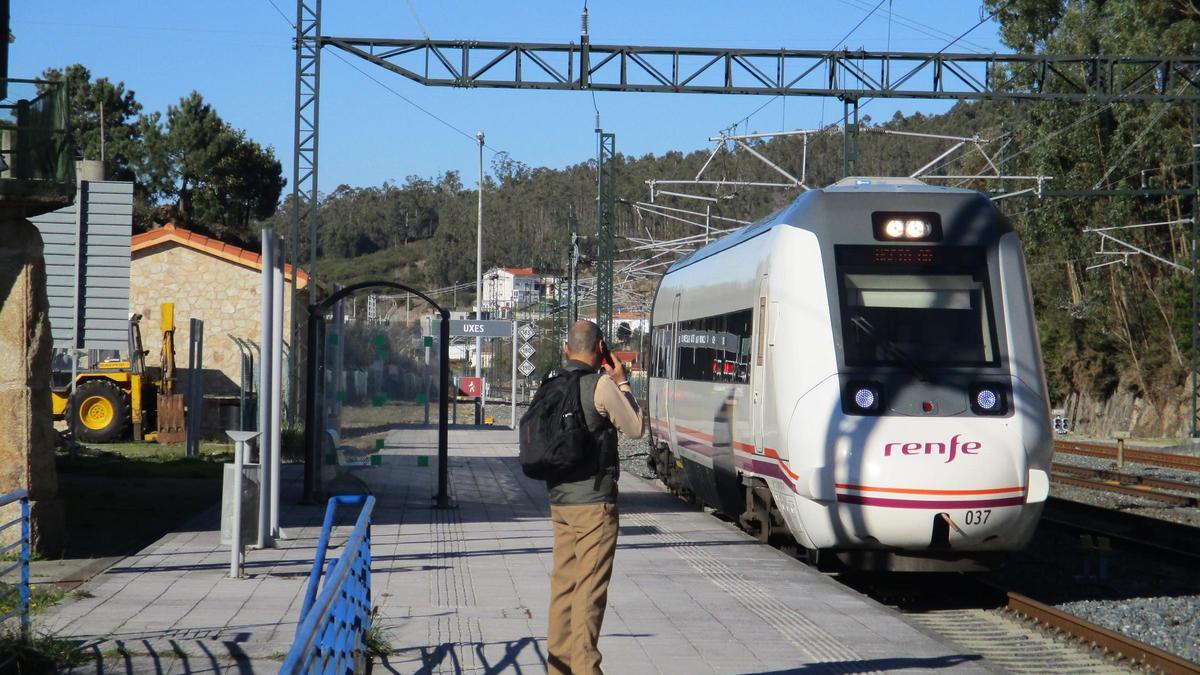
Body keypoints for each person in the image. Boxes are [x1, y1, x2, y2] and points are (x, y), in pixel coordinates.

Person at [546, 320, 643, 675]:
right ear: (601, 348)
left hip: (560, 502)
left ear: (566, 349)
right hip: (595, 507)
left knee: (563, 589)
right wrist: (622, 381)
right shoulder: (601, 385)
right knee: (589, 592)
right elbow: (634, 427)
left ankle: (558, 669)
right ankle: (587, 668)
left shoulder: (552, 386)